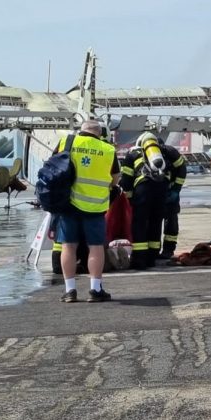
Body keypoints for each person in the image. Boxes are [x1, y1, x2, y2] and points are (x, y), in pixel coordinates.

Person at [55, 119, 120, 302]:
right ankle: (95, 289)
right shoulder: (108, 150)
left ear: (81, 131)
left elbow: (53, 167)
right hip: (96, 206)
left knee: (68, 246)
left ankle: (70, 291)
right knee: (95, 247)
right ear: (99, 133)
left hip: (69, 204)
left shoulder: (67, 142)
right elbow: (115, 180)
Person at [120, 132, 185, 269]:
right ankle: (152, 257)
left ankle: (139, 260)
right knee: (156, 223)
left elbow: (126, 180)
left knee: (140, 224)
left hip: (143, 191)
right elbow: (181, 168)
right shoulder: (167, 152)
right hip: (162, 190)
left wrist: (129, 200)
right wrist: (175, 189)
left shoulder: (132, 154)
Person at [156, 137, 187, 260]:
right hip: (154, 193)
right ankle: (154, 250)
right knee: (154, 222)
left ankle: (168, 250)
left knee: (171, 221)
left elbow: (182, 169)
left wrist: (176, 189)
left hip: (169, 191)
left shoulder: (170, 152)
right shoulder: (142, 154)